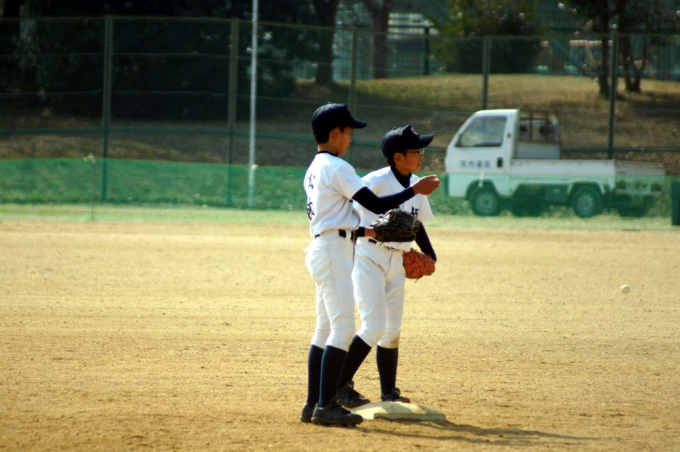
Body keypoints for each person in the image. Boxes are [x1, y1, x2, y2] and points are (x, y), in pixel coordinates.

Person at [301, 104, 440, 426]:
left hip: (327, 244)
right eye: (348, 132)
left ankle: (312, 405)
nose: (350, 138)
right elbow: (375, 204)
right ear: (335, 133)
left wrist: (368, 231)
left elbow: (335, 217)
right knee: (343, 329)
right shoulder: (337, 166)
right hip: (334, 251)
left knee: (325, 330)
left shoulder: (316, 166)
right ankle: (326, 404)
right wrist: (414, 190)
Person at [335, 125, 438, 409]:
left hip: (398, 261)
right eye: (416, 151)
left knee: (392, 329)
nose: (421, 155)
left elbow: (415, 224)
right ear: (398, 157)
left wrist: (430, 254)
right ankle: (339, 386)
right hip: (369, 256)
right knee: (373, 326)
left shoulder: (417, 184)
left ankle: (389, 392)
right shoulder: (375, 181)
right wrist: (363, 230)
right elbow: (352, 213)